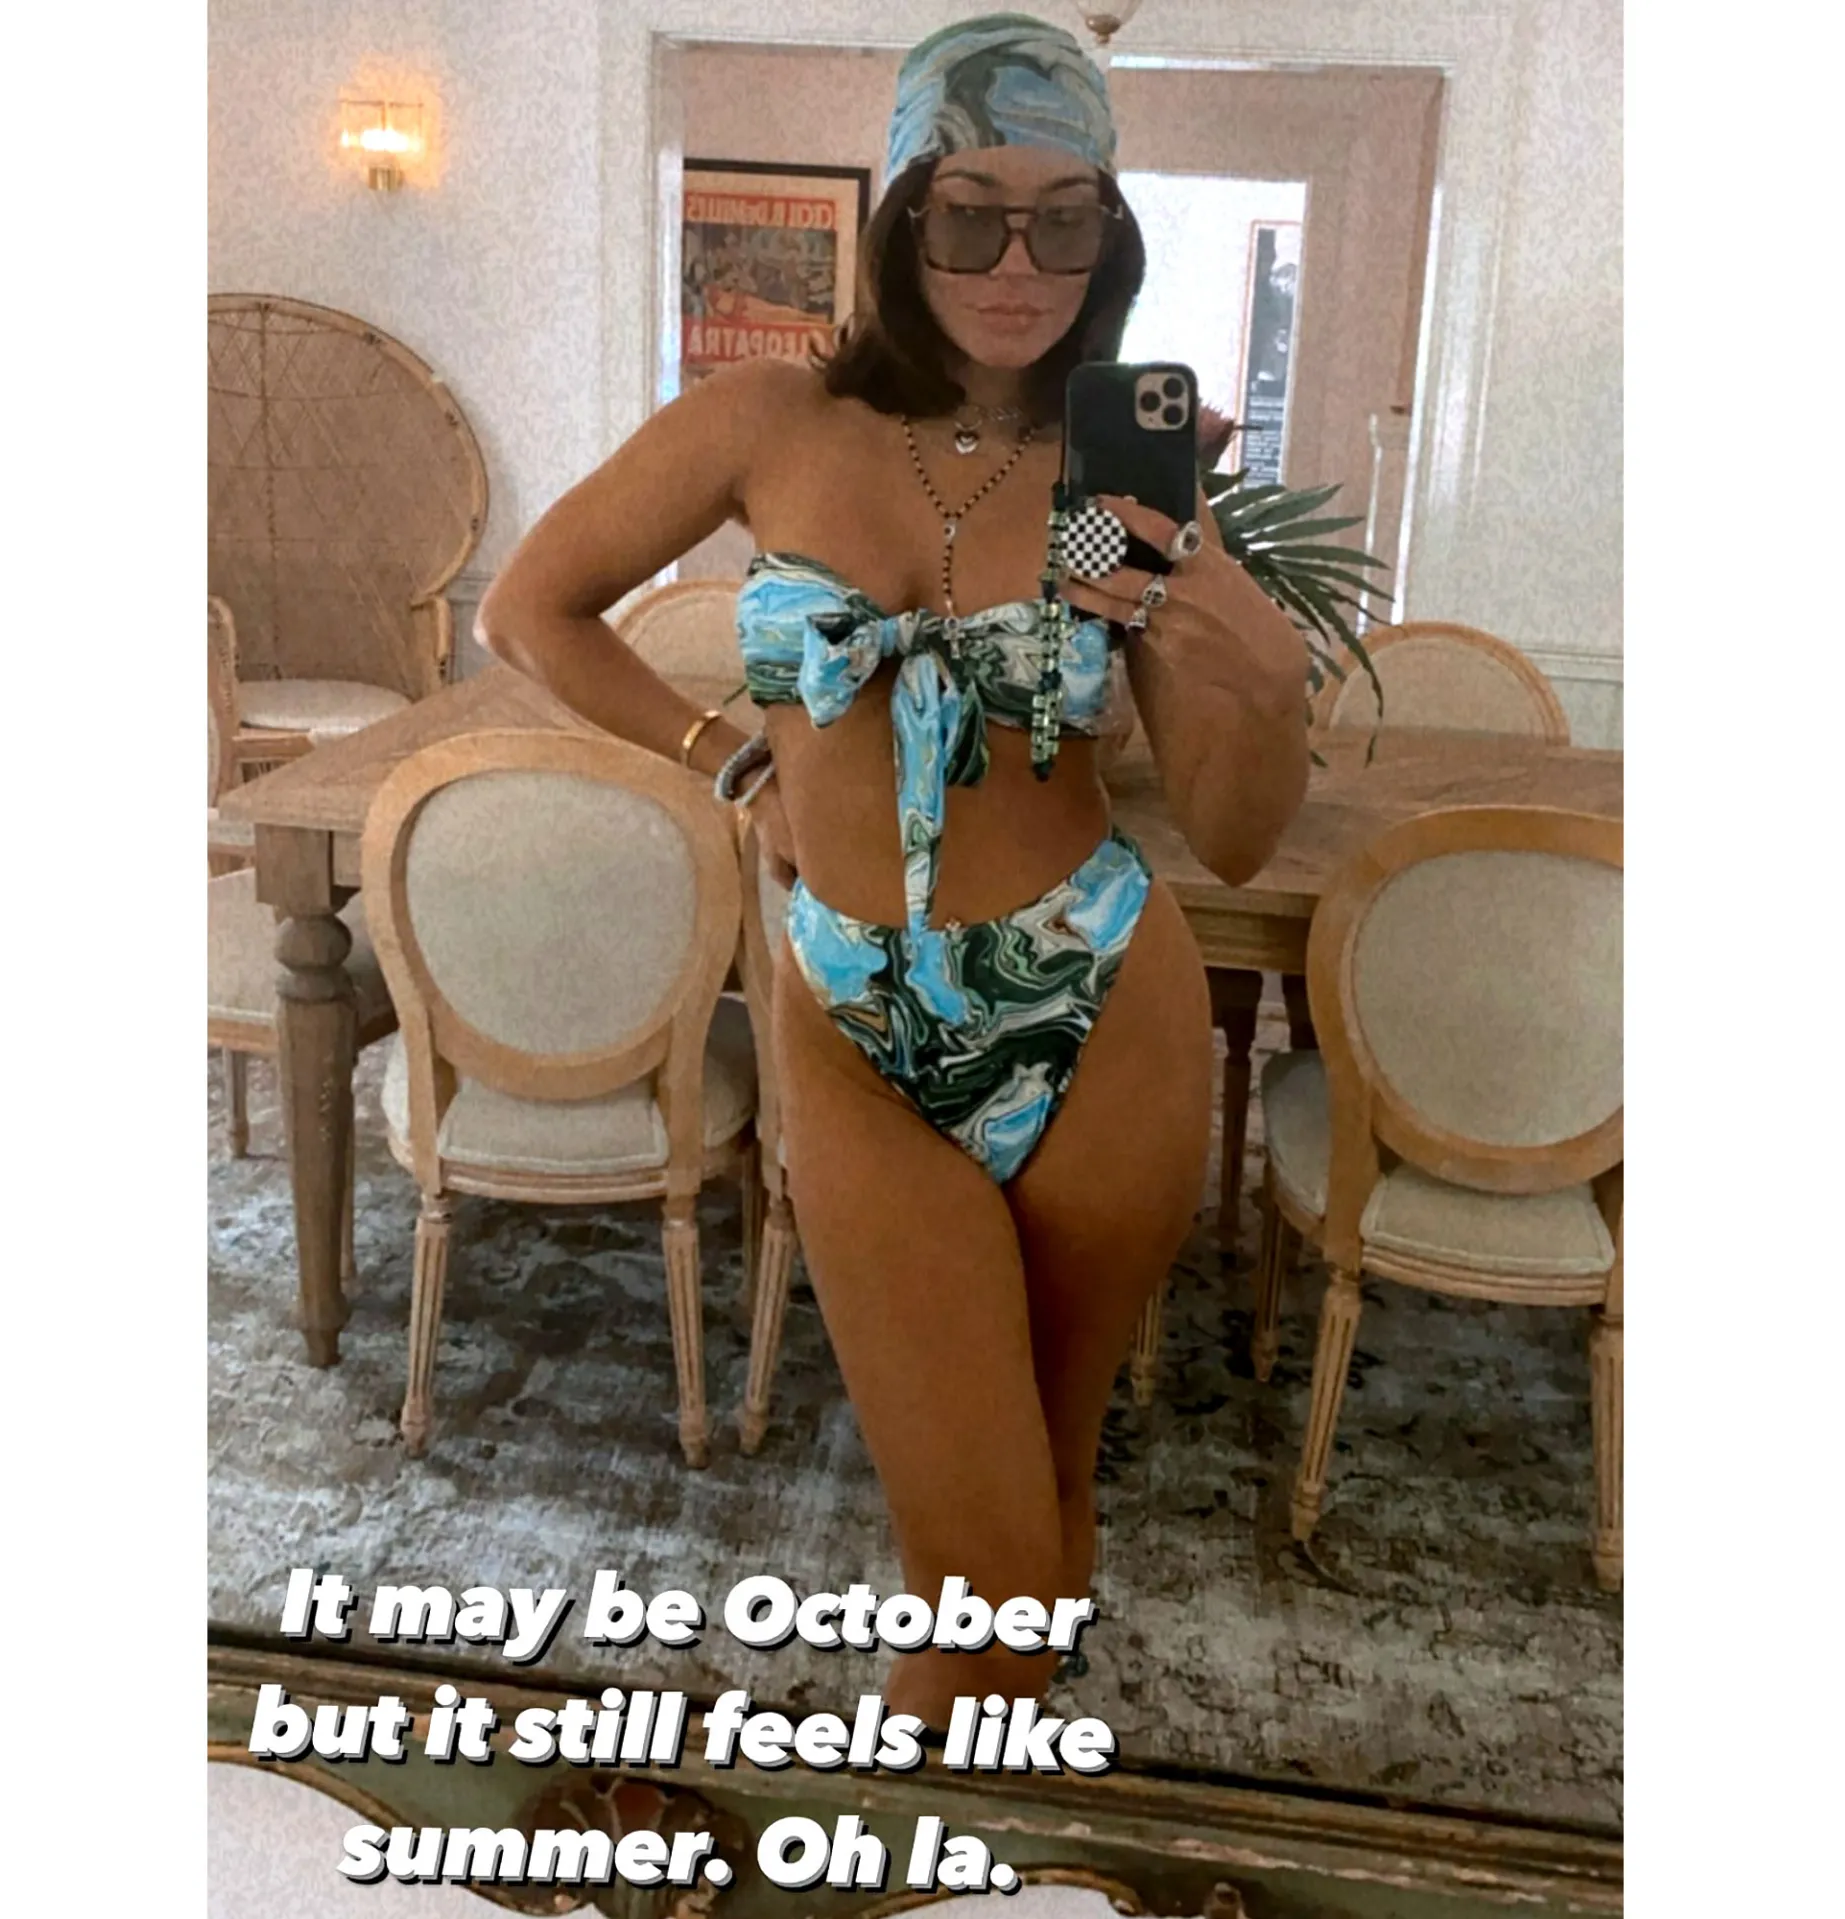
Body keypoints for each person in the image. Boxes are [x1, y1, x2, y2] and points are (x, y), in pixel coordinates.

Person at [477, 13, 1309, 1728]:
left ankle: (993, 1810)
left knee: (1041, 1493)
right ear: (904, 217)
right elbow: (528, 607)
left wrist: (1246, 647)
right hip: (851, 1010)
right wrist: (728, 756)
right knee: (979, 1551)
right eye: (970, 214)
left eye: (1063, 220)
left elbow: (1234, 833)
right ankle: (936, 1811)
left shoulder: (1116, 464)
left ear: (1108, 237)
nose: (1016, 265)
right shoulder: (771, 423)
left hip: (1099, 1001)